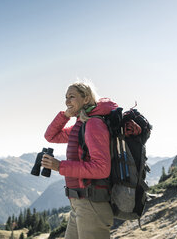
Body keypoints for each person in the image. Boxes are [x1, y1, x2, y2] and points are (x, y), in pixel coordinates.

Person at [41, 82, 118, 239]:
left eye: (72, 97)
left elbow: (102, 168)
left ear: (86, 99)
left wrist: (60, 166)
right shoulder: (82, 124)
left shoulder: (94, 124)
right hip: (80, 204)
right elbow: (50, 136)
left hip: (91, 204)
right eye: (66, 97)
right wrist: (64, 115)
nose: (67, 101)